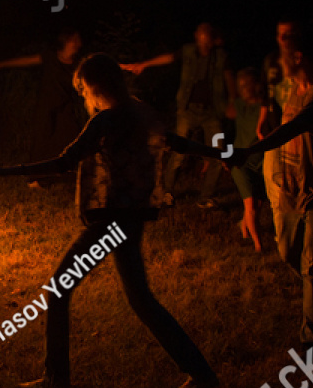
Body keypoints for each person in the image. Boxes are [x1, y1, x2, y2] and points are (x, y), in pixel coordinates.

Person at [0, 55, 221, 388]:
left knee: (59, 290)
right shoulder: (140, 112)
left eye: (82, 90)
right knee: (141, 300)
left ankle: (56, 378)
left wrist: (2, 171)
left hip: (111, 224)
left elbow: (64, 161)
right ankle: (203, 375)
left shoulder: (106, 121)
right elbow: (177, 142)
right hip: (132, 220)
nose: (83, 97)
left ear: (93, 87)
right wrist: (224, 154)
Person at [229, 30, 313, 350]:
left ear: (298, 57)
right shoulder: (292, 90)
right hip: (289, 188)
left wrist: (250, 150)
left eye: (284, 55)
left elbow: (294, 128)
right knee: (289, 254)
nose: (278, 62)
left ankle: (312, 343)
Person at [124, 22, 236, 208]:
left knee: (218, 152)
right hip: (187, 111)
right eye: (201, 42)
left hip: (212, 113)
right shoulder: (188, 51)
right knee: (178, 151)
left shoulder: (221, 57)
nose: (204, 47)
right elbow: (169, 57)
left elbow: (229, 78)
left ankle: (206, 196)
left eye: (207, 43)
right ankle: (167, 192)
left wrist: (232, 102)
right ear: (196, 38)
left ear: (213, 41)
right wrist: (145, 64)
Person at [0, 28, 87, 185]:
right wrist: (1, 64)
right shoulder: (50, 57)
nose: (78, 44)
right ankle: (37, 178)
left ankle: (69, 176)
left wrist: (128, 67)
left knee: (72, 140)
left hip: (65, 108)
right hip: (46, 107)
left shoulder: (78, 63)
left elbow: (99, 66)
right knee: (41, 143)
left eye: (79, 40)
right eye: (75, 40)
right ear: (66, 40)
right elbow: (25, 61)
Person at [259, 21, 302, 241]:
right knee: (273, 184)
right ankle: (282, 235)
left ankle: (300, 232)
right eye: (280, 35)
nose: (283, 39)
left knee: (298, 187)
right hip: (275, 132)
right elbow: (267, 95)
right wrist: (262, 121)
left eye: (288, 35)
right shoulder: (271, 61)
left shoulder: (303, 61)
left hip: (299, 134)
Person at [231, 67, 269, 252]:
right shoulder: (238, 105)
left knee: (258, 204)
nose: (243, 88)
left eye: (247, 84)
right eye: (241, 85)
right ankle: (258, 245)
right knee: (251, 203)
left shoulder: (264, 106)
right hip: (240, 161)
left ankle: (244, 225)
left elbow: (261, 131)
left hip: (260, 160)